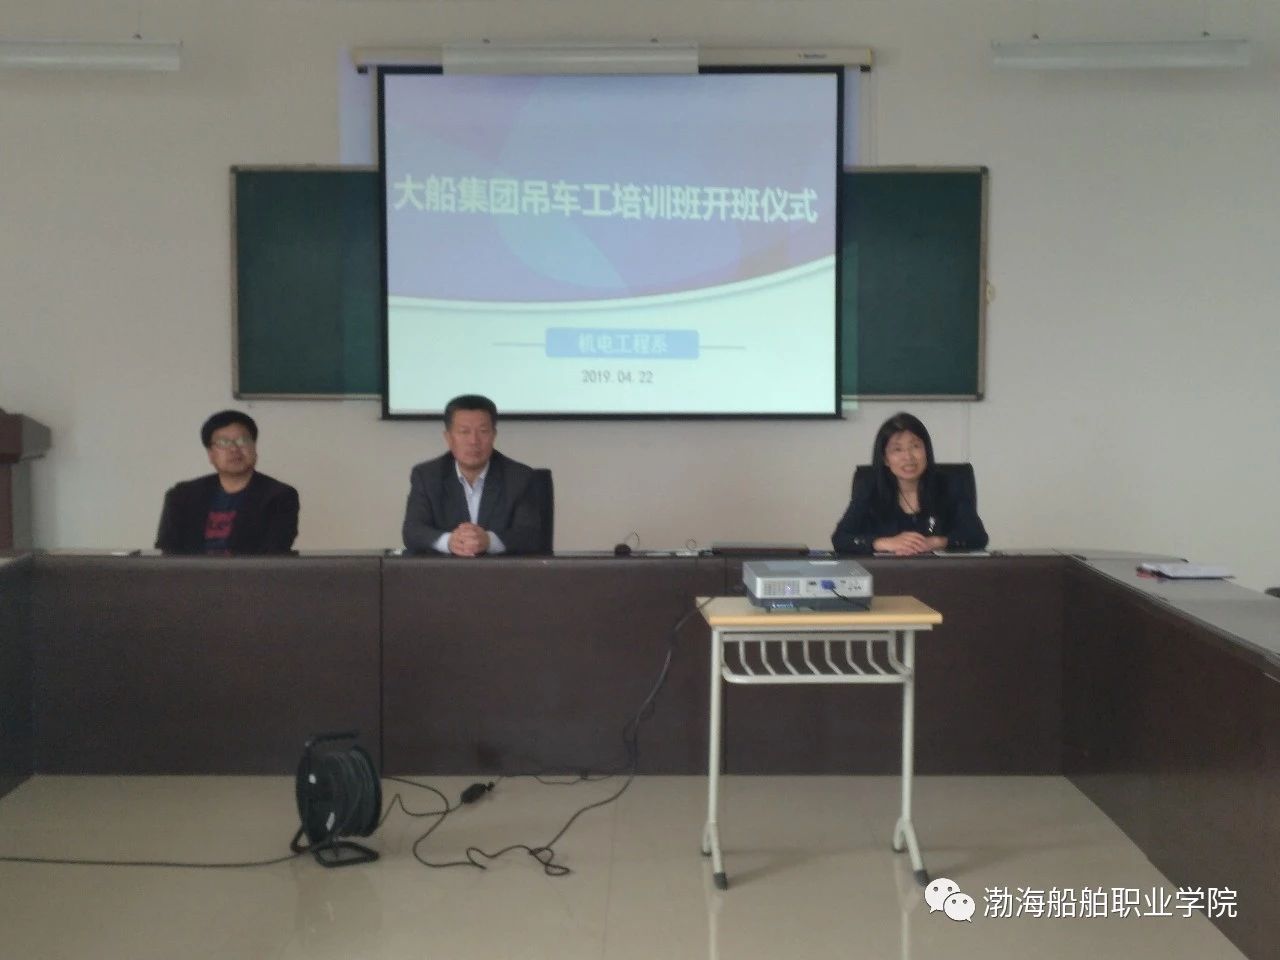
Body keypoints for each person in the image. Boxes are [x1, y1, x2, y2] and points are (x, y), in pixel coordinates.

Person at [401, 394, 545, 556]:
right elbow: (413, 531)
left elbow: (530, 535)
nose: (473, 441)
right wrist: (449, 542)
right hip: (445, 570)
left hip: (501, 570)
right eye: (464, 432)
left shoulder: (519, 477)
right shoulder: (427, 476)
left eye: (483, 431)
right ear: (448, 438)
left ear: (493, 435)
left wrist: (489, 541)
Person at [831, 412, 987, 556]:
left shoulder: (950, 485)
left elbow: (977, 536)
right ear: (885, 459)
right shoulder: (870, 488)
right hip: (886, 574)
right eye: (897, 449)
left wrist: (937, 542)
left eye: (915, 446)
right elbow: (841, 538)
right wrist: (884, 543)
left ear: (926, 451)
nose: (908, 457)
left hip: (940, 574)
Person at [155, 410, 299, 554]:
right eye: (223, 442)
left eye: (242, 440)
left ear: (254, 447)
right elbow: (167, 551)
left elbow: (274, 552)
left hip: (251, 570)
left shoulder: (280, 496)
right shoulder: (182, 496)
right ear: (211, 454)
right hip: (191, 570)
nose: (234, 449)